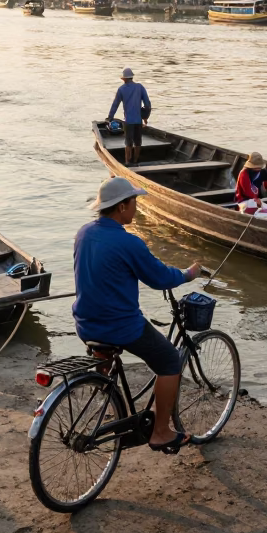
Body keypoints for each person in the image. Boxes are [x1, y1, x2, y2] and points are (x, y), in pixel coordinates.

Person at [73, 176, 202, 452]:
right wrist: (187, 274)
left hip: (85, 323)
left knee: (108, 357)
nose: (136, 207)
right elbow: (158, 277)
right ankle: (161, 432)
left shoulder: (83, 233)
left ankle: (106, 399)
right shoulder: (129, 243)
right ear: (121, 207)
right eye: (134, 202)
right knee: (169, 361)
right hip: (118, 326)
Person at [107, 67, 151, 166]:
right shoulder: (140, 87)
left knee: (128, 142)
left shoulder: (121, 89)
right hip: (138, 121)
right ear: (131, 77)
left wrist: (110, 117)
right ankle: (135, 161)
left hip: (128, 121)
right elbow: (147, 104)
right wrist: (145, 117)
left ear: (124, 79)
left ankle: (127, 162)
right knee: (138, 142)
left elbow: (115, 104)